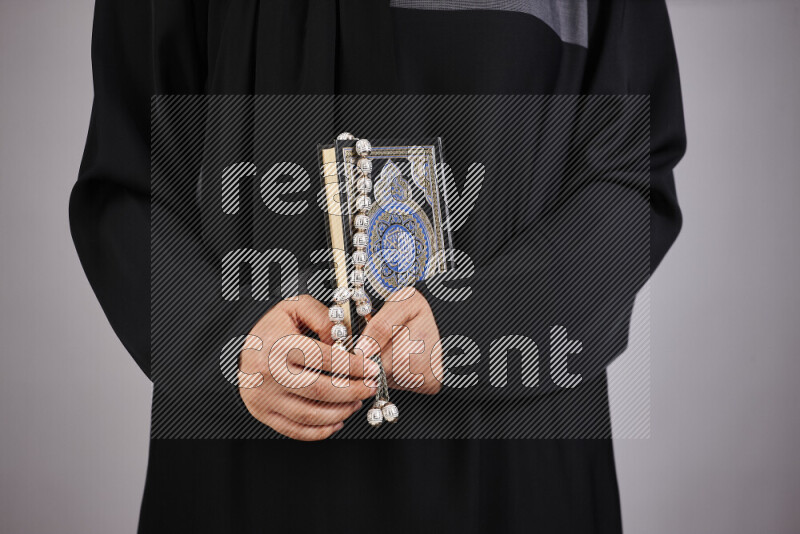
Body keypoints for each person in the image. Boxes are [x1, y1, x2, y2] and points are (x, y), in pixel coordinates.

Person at [70, 1, 685, 532]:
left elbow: (630, 175)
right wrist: (228, 350)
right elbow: (127, 182)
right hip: (248, 468)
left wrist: (485, 322)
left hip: (510, 469)